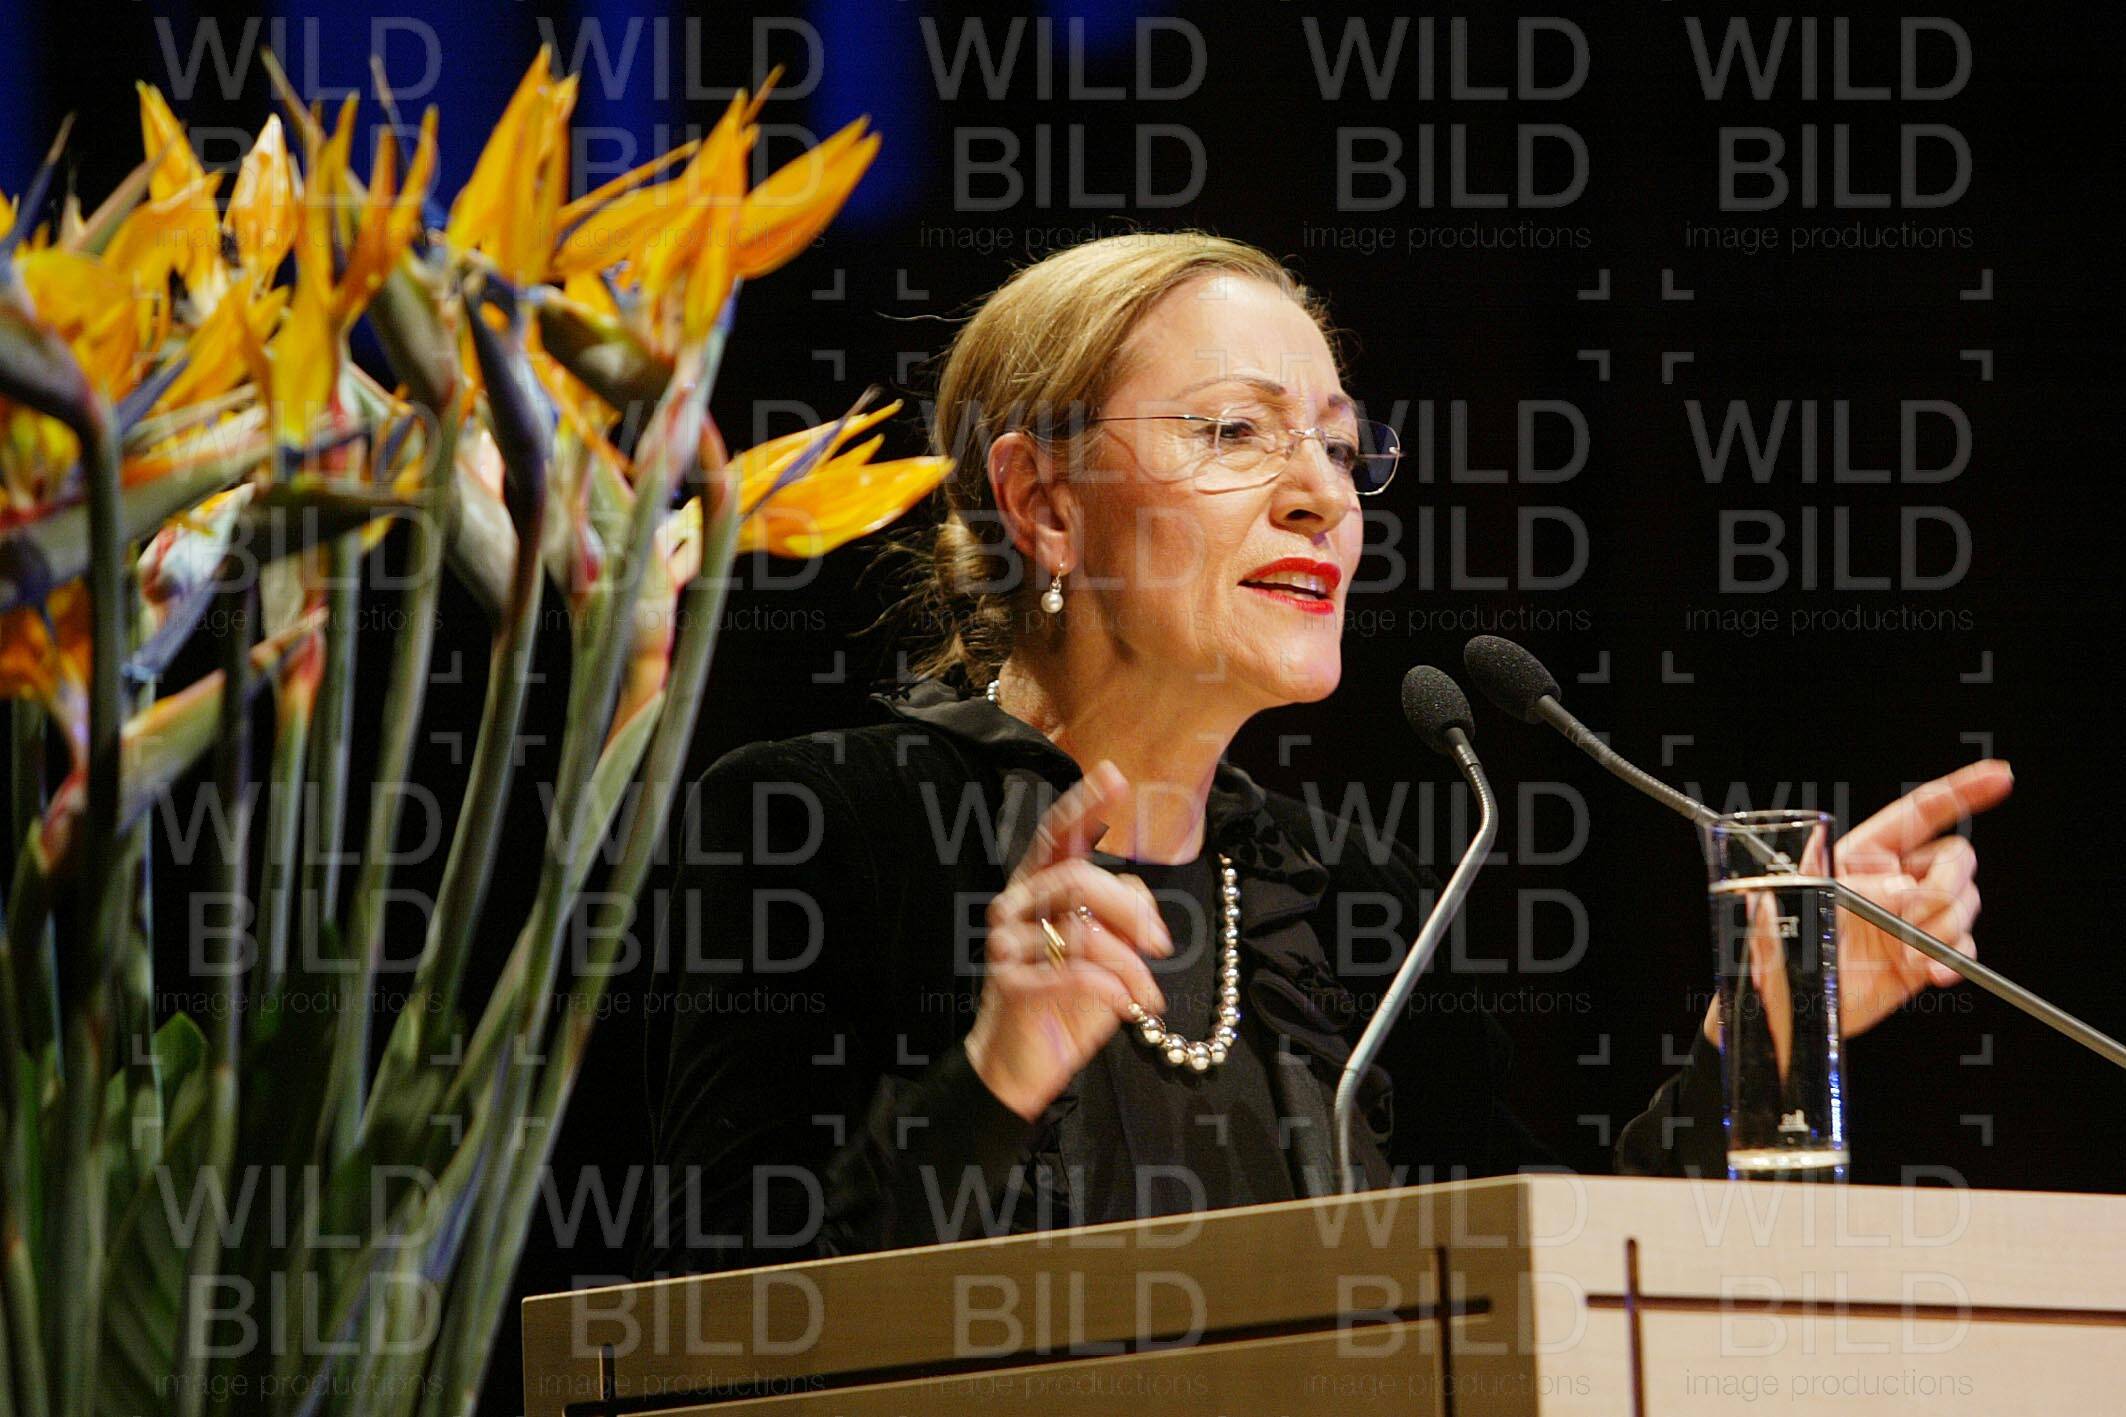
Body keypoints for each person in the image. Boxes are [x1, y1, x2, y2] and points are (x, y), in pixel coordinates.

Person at [634, 231, 2008, 1278]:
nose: (1322, 496)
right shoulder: (823, 820)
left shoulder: (1347, 903)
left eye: (1342, 451)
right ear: (1044, 505)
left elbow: (1534, 1303)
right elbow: (710, 1333)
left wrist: (1762, 1029)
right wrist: (991, 1080)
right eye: (1234, 432)